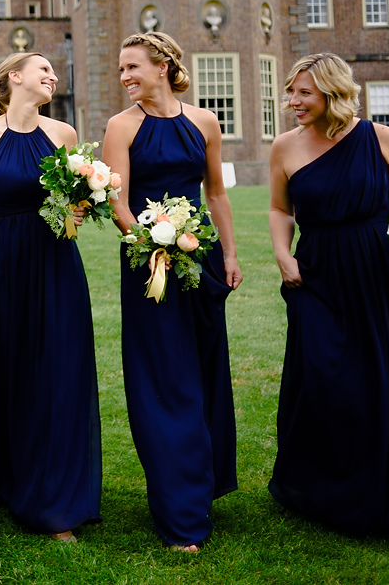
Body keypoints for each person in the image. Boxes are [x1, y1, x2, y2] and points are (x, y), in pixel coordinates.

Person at [267, 54, 389, 537]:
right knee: (324, 380)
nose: (293, 102)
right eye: (290, 92)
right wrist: (284, 256)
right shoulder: (285, 148)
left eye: (304, 93)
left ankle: (385, 492)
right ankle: (321, 487)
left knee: (382, 380)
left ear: (333, 93)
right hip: (316, 274)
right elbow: (281, 210)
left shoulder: (381, 139)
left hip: (381, 275)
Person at [0, 52, 100, 543]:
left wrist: (84, 198)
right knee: (1, 367)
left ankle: (57, 496)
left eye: (55, 70)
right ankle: (11, 473)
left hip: (54, 260)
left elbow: (72, 211)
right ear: (14, 77)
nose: (53, 75)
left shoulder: (65, 136)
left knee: (57, 369)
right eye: (43, 69)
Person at [101, 32, 241, 552]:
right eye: (120, 70)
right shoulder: (122, 126)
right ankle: (178, 510)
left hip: (199, 255)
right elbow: (117, 200)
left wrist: (227, 253)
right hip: (149, 263)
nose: (125, 77)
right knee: (164, 376)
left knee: (203, 369)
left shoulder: (204, 122)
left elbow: (217, 192)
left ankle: (201, 485)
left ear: (163, 66)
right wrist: (149, 240)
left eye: (132, 66)